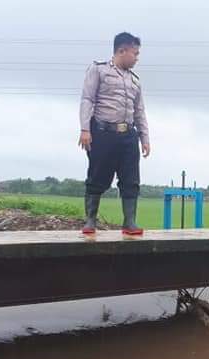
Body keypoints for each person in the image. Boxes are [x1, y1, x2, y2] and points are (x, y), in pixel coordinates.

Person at [78, 32, 150, 236]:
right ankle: (90, 220)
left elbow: (140, 111)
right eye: (135, 53)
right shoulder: (99, 70)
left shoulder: (135, 80)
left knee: (131, 180)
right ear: (122, 50)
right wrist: (85, 129)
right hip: (103, 133)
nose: (137, 57)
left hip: (128, 136)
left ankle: (130, 222)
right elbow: (87, 99)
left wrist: (144, 137)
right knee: (97, 176)